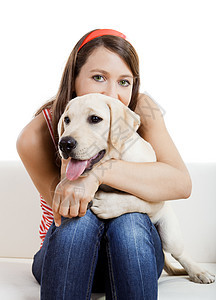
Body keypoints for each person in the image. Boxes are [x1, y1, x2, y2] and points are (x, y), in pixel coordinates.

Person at [16, 29, 192, 300]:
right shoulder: (37, 134)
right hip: (68, 252)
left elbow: (180, 183)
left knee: (130, 221)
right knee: (82, 221)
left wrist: (97, 174)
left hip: (133, 254)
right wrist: (85, 173)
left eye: (124, 82)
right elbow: (71, 203)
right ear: (74, 78)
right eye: (98, 77)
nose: (112, 93)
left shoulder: (140, 110)